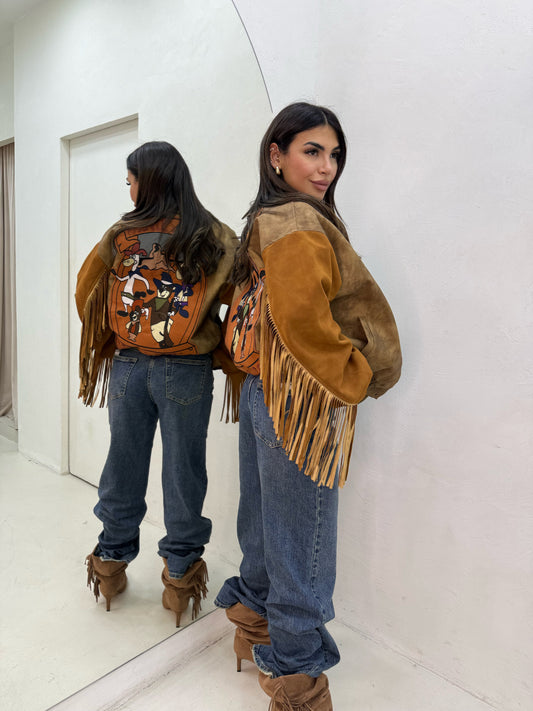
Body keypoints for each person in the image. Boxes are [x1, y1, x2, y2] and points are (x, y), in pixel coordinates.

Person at [216, 103, 402, 710]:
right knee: (304, 539)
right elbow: (303, 322)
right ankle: (297, 676)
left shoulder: (265, 217)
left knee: (266, 522)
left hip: (261, 388)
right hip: (300, 397)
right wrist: (354, 377)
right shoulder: (297, 218)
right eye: (312, 151)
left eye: (334, 154)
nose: (326, 168)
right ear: (277, 155)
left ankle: (254, 623)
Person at [75, 141, 238, 625]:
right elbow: (235, 294)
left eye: (130, 181)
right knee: (184, 468)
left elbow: (87, 290)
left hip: (128, 365)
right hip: (186, 368)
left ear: (147, 181)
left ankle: (110, 561)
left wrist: (114, 335)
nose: (128, 190)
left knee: (122, 461)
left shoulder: (120, 234)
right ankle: (181, 574)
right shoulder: (214, 233)